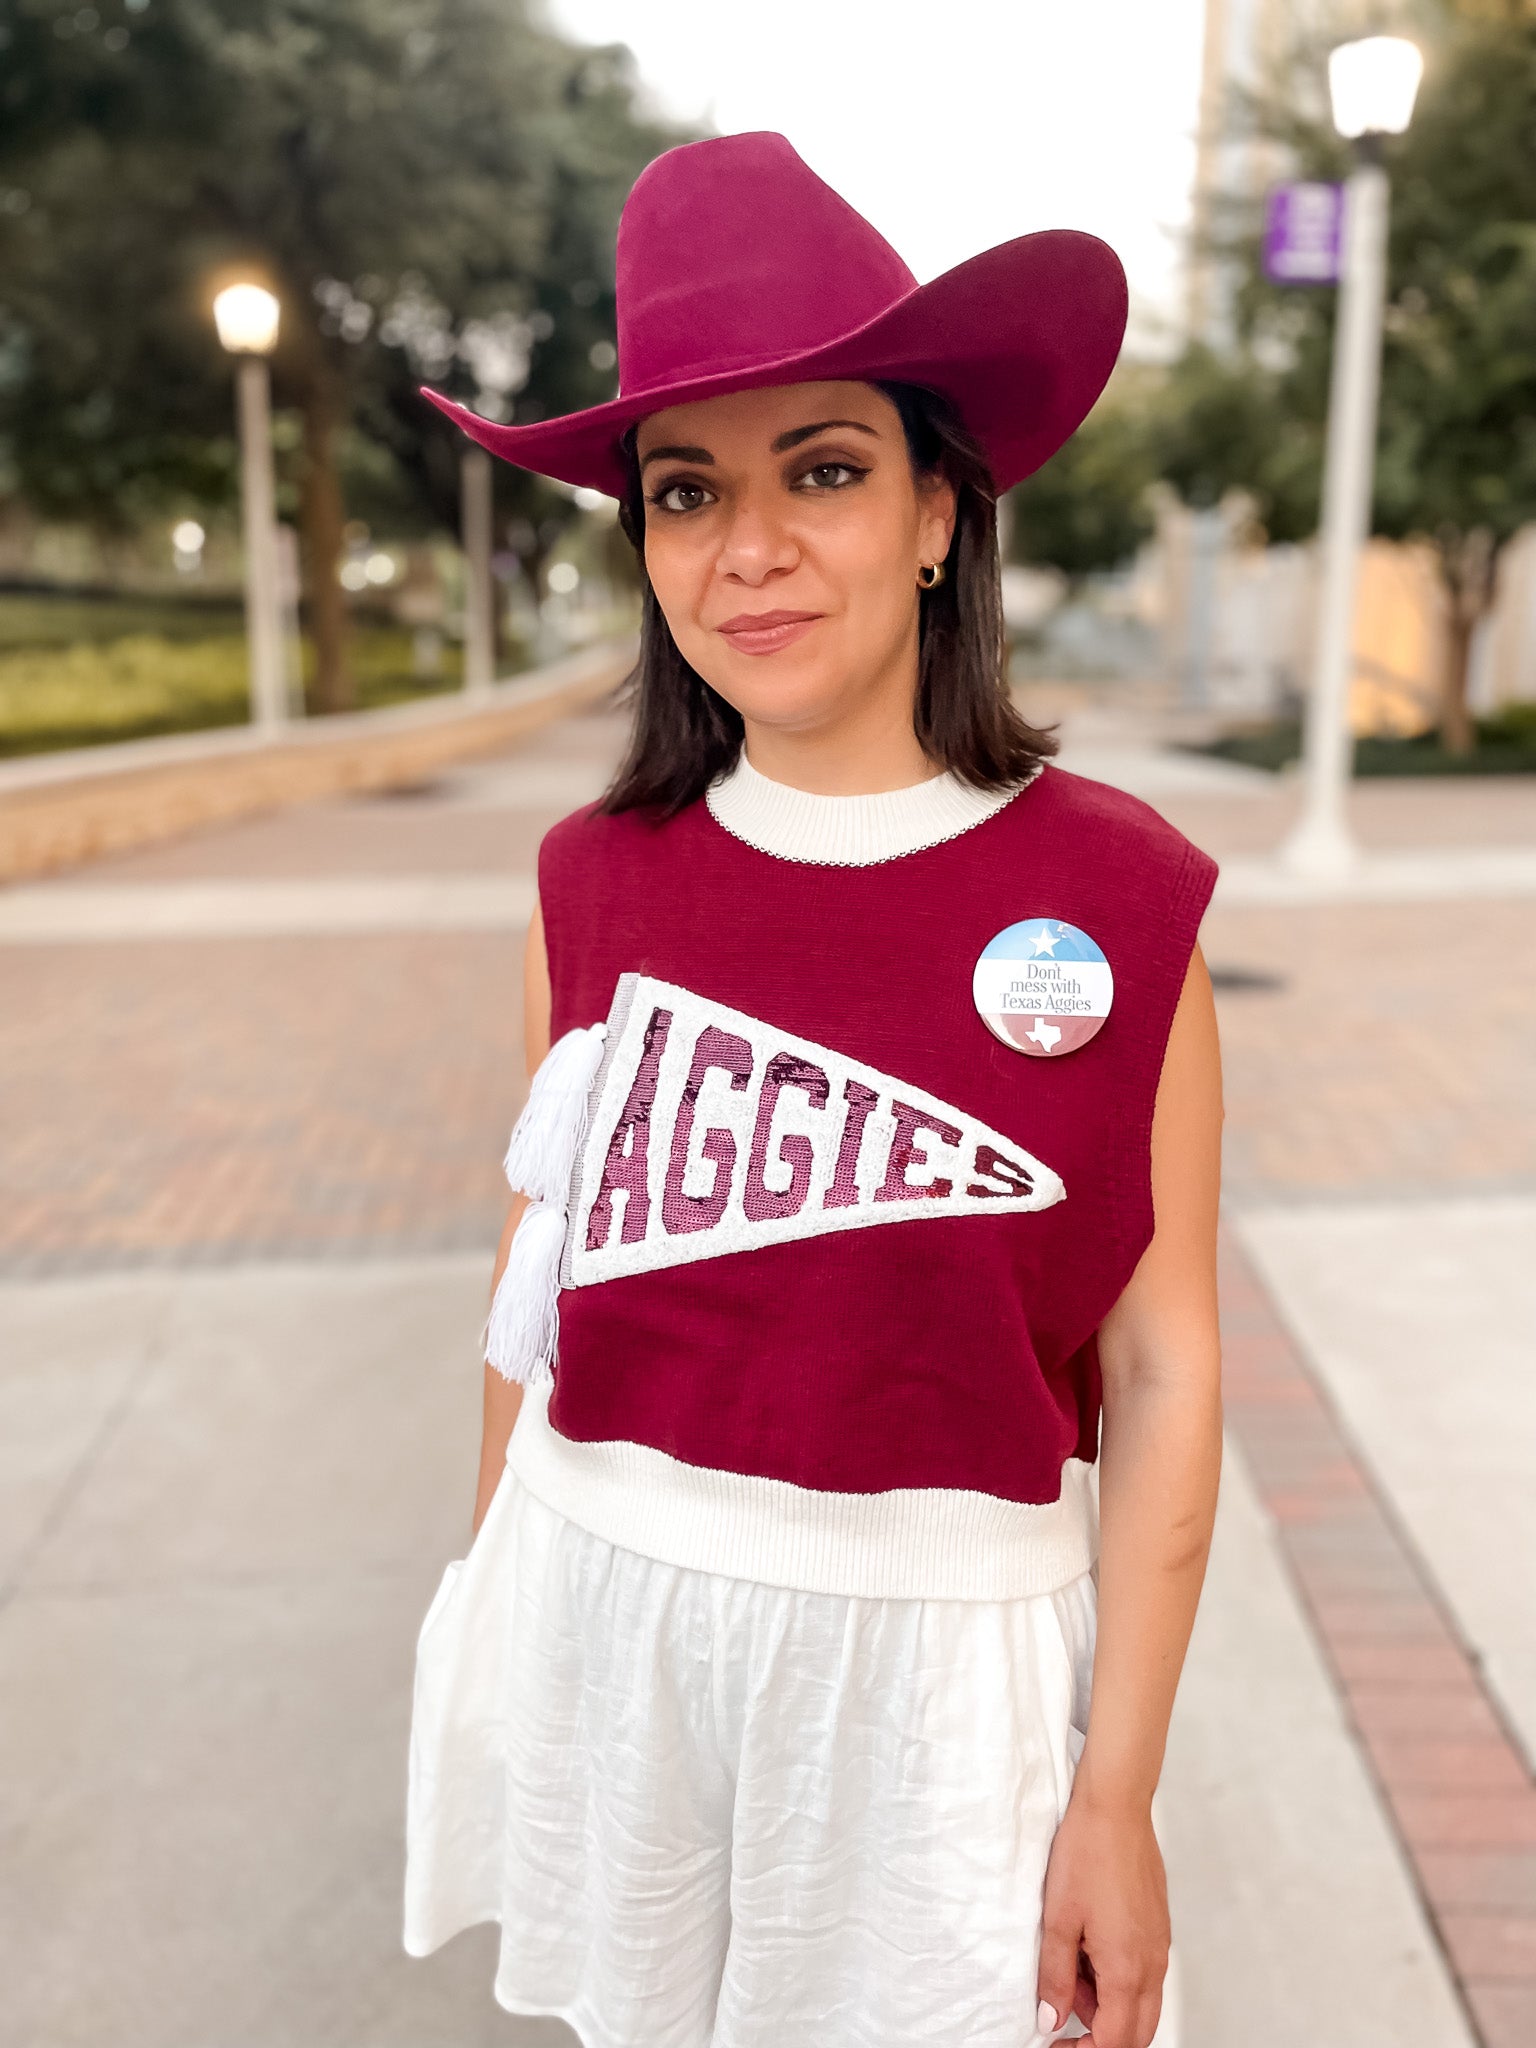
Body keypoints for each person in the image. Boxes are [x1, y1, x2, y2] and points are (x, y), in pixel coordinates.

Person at [402, 132, 1223, 2048]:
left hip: (945, 1687)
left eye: (826, 471)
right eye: (686, 492)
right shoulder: (592, 877)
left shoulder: (1122, 896)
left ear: (943, 509)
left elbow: (1169, 1367)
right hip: (615, 1615)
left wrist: (1117, 1796)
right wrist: (490, 1601)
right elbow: (547, 1274)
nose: (748, 548)